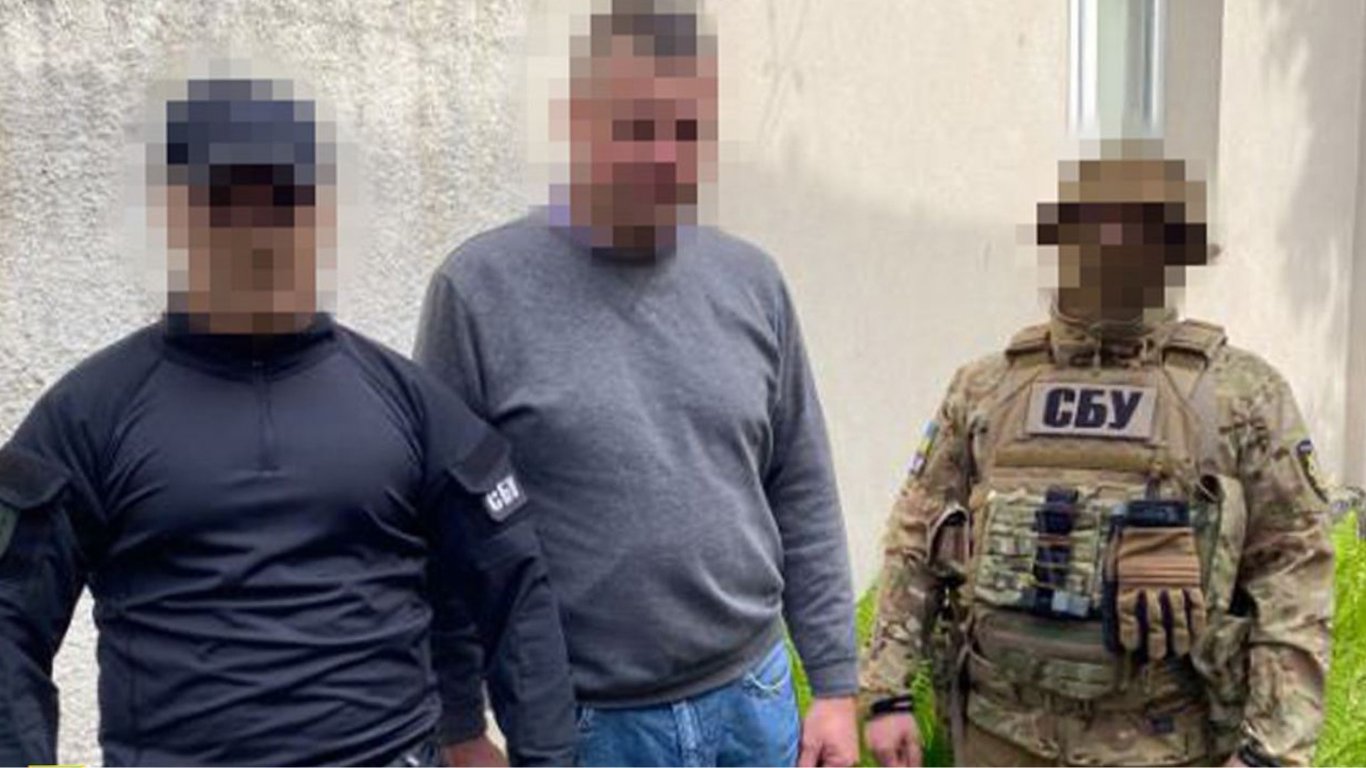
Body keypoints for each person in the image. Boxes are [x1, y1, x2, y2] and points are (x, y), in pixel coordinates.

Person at [0, 77, 576, 767]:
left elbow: (517, 596)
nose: (258, 233)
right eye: (225, 203)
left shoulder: (414, 407)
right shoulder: (86, 417)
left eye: (283, 201)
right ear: (175, 221)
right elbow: (9, 620)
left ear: (323, 217)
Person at [414, 1, 859, 766]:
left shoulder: (753, 282)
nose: (662, 155)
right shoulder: (480, 293)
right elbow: (442, 526)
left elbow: (801, 485)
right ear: (576, 121)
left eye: (685, 130)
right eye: (636, 124)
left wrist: (834, 684)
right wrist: (459, 727)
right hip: (587, 728)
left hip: (754, 705)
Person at [859, 151, 1335, 767]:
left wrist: (1269, 752)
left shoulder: (1240, 397)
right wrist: (888, 690)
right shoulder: (986, 389)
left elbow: (1293, 571)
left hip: (1164, 746)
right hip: (999, 738)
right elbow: (918, 535)